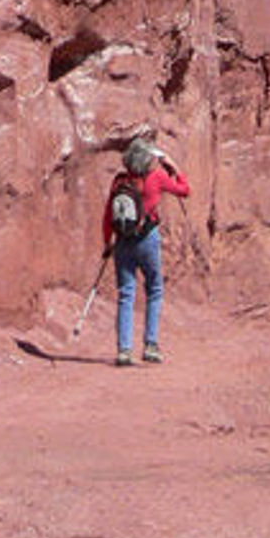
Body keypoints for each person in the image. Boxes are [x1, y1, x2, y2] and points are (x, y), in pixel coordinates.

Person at [104, 134, 191, 368]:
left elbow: (108, 215)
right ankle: (150, 345)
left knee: (126, 293)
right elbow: (184, 190)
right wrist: (174, 167)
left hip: (123, 240)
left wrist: (107, 242)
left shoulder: (119, 181)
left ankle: (124, 350)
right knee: (154, 289)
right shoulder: (157, 177)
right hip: (147, 239)